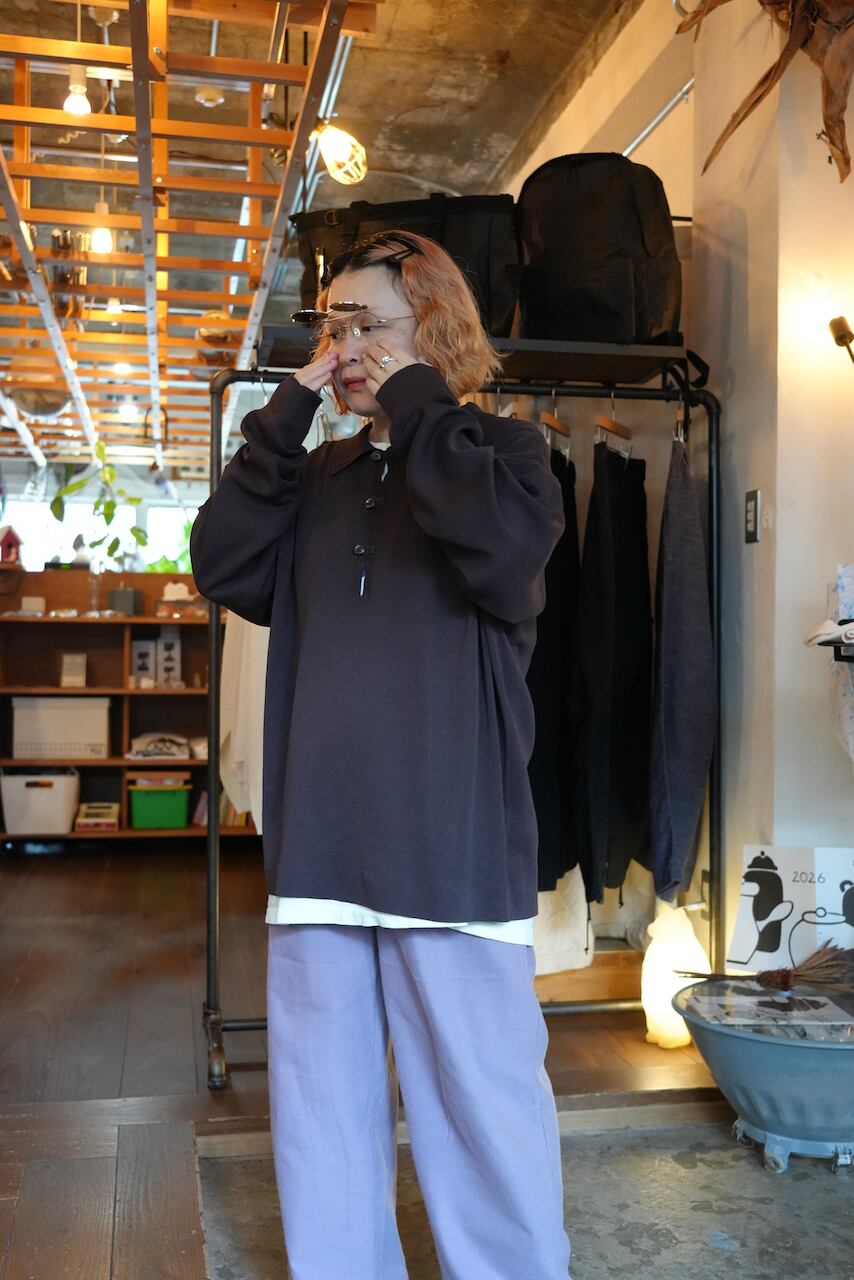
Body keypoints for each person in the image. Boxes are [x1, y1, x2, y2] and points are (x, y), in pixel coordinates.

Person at [190, 230, 572, 1279]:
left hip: (452, 851)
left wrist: (416, 399)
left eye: (367, 325)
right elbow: (221, 561)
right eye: (332, 325)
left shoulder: (507, 457)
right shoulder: (316, 475)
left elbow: (503, 559)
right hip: (320, 847)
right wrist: (285, 415)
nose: (344, 346)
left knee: (483, 1110)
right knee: (322, 1116)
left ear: (431, 329)